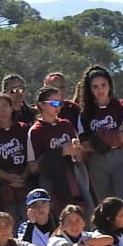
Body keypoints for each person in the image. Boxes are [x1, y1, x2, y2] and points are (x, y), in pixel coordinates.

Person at [76, 65, 123, 204]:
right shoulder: (84, 113)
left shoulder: (122, 106)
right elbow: (84, 144)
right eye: (95, 87)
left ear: (110, 85)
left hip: (119, 158)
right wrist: (111, 136)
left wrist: (99, 138)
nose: (100, 90)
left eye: (103, 85)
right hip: (97, 160)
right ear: (89, 89)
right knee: (106, 204)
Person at [31, 89, 94, 217]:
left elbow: (79, 157)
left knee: (86, 209)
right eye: (53, 103)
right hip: (51, 179)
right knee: (55, 213)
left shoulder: (65, 124)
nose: (58, 107)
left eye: (60, 103)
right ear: (41, 105)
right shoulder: (36, 131)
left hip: (72, 174)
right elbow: (34, 167)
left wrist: (77, 150)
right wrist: (62, 151)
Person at [0, 92, 36, 222]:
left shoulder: (24, 129)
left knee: (30, 217)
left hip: (26, 181)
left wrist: (23, 177)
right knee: (9, 220)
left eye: (5, 106)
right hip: (3, 183)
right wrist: (8, 177)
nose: (2, 111)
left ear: (12, 108)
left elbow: (32, 157)